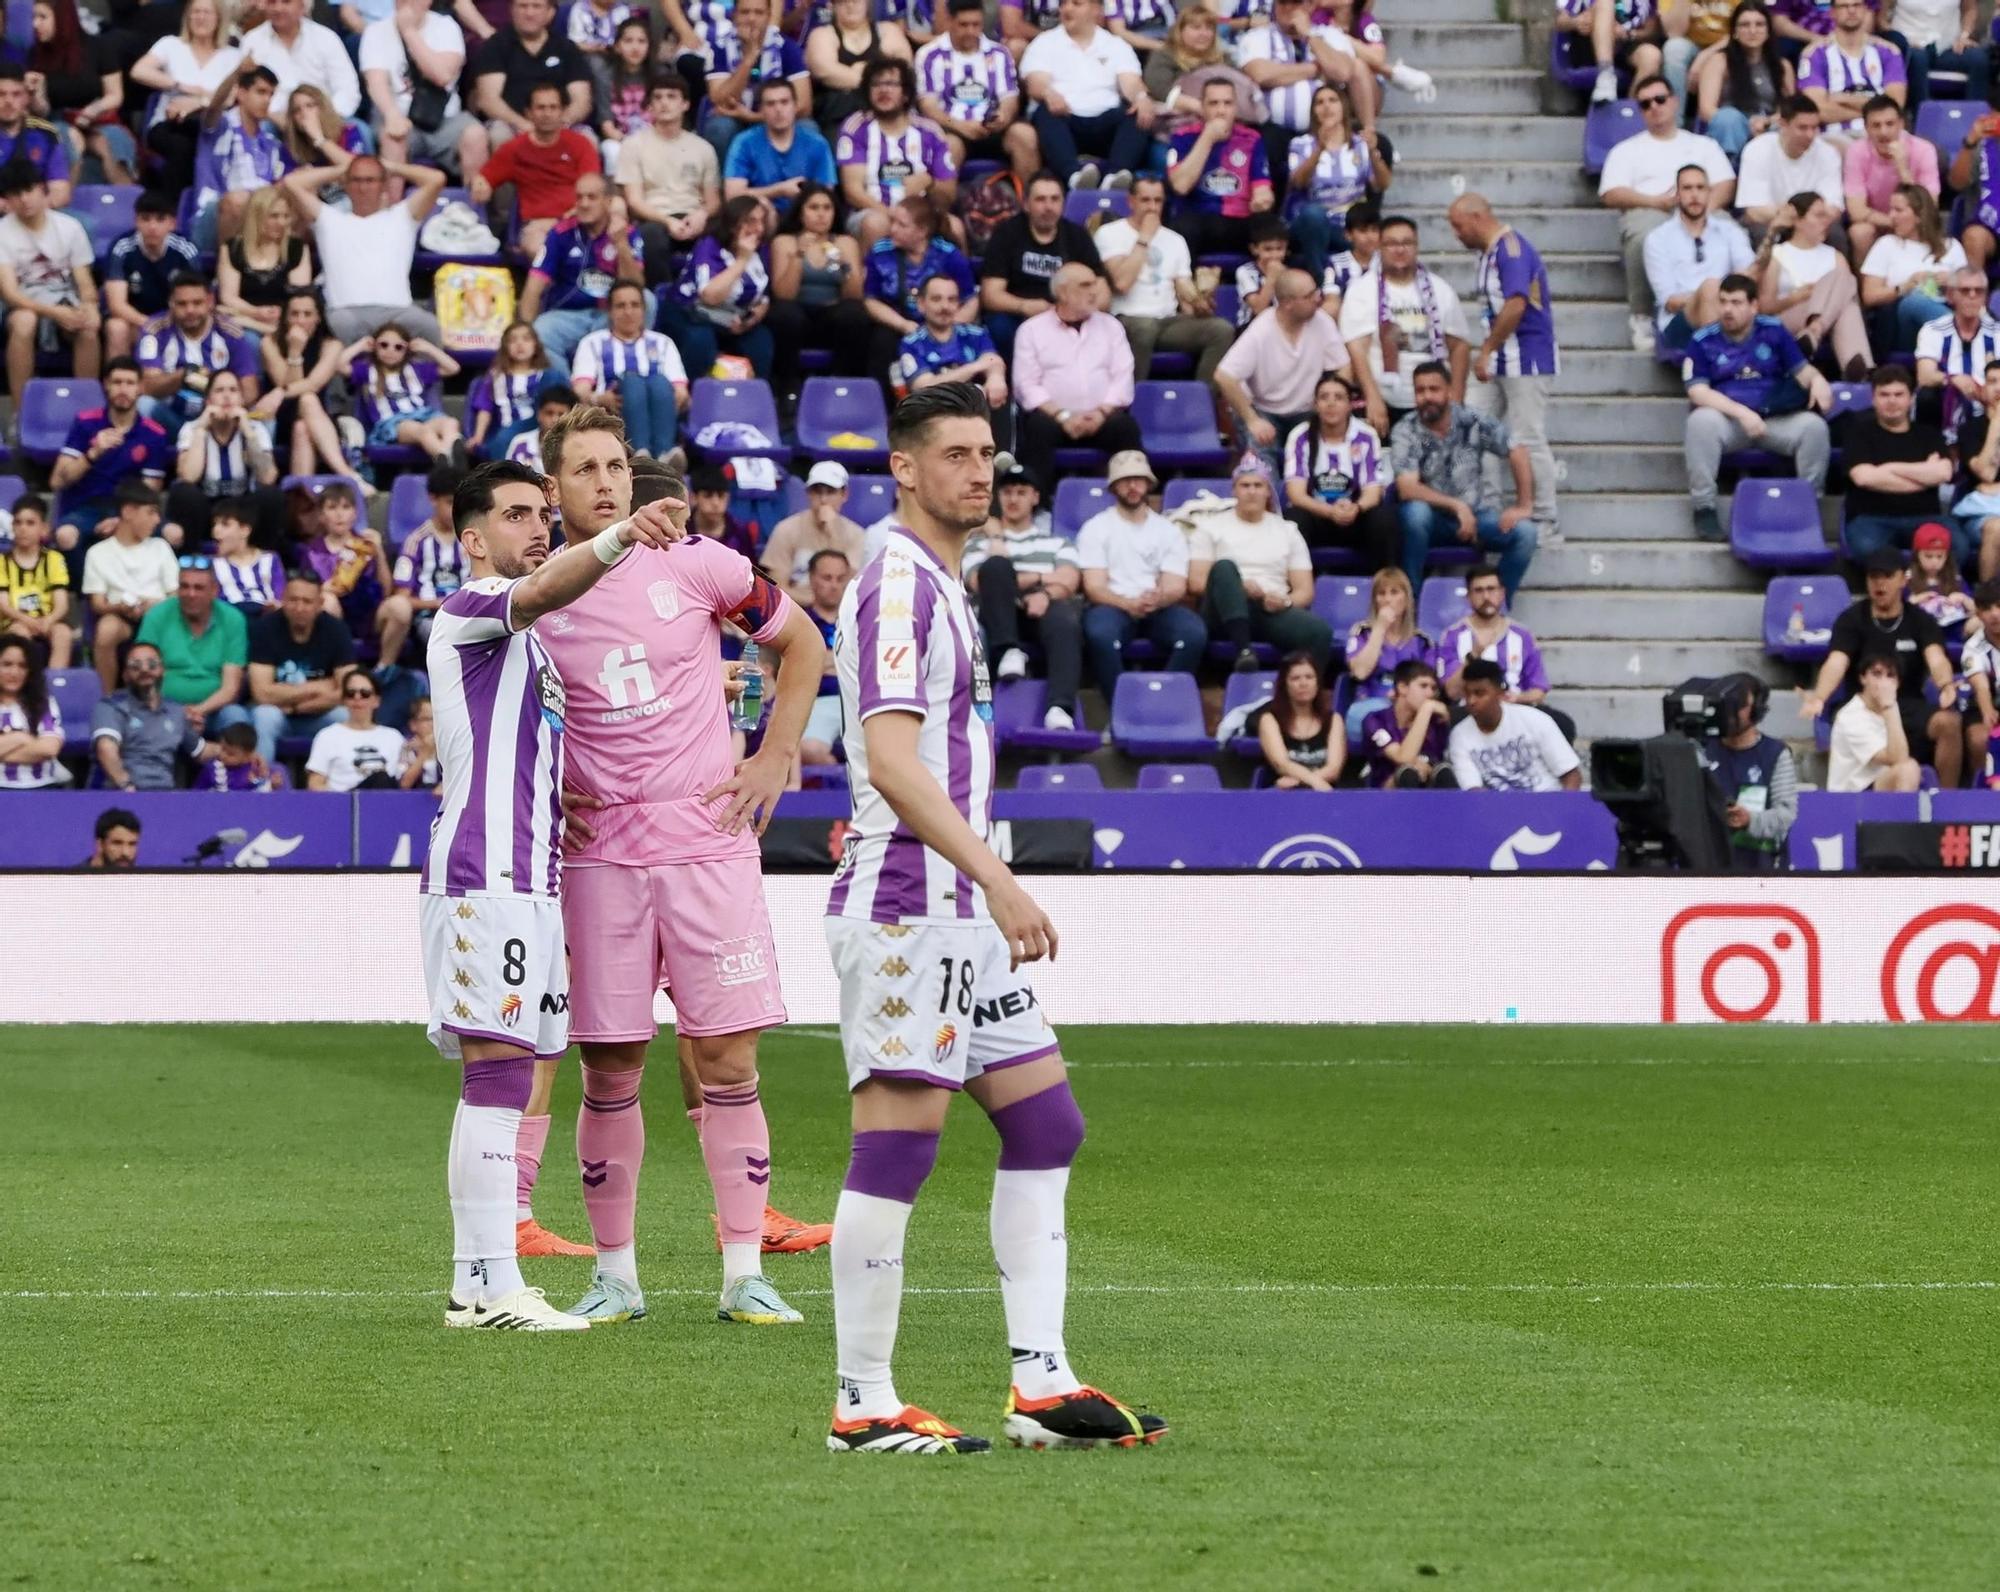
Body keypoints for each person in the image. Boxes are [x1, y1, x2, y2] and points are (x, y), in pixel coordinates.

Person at [823, 381, 1165, 1455]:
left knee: (1043, 1118)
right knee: (899, 1137)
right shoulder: (896, 588)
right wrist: (1000, 877)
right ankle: (861, 1400)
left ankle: (1040, 1382)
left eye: (987, 454)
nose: (979, 471)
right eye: (956, 454)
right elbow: (889, 764)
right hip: (906, 905)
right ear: (905, 469)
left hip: (957, 909)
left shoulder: (946, 580)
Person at [527, 404, 829, 1327]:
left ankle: (745, 1274)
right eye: (585, 470)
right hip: (600, 857)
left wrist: (777, 753)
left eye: (615, 465)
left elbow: (803, 644)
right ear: (553, 491)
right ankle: (615, 1275)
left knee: (730, 1058)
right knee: (610, 1068)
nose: (607, 483)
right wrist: (545, 789)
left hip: (707, 845)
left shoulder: (701, 566)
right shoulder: (533, 598)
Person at [418, 458, 683, 1333]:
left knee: (506, 1073)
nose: (536, 527)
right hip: (483, 876)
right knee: (496, 1074)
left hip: (530, 882)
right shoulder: (471, 610)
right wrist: (619, 536)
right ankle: (492, 1285)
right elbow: (539, 593)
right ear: (472, 539)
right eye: (516, 515)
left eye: (541, 514)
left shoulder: (525, 647)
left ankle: (477, 1281)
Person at [1681, 272, 1834, 541]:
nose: (1728, 309)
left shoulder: (1774, 330)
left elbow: (1802, 372)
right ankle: (1704, 506)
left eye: (1737, 303)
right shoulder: (1703, 339)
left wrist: (1818, 380)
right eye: (1724, 302)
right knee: (1700, 421)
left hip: (1773, 418)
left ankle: (1810, 506)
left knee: (1814, 428)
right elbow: (1698, 391)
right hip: (1729, 422)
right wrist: (1742, 413)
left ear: (1754, 306)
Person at [1803, 545, 1963, 785]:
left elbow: (1936, 658)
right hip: (1866, 708)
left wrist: (1945, 684)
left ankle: (1947, 805)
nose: (1880, 584)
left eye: (1887, 576)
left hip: (1908, 706)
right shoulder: (1851, 619)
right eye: (1873, 577)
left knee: (1949, 723)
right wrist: (1820, 696)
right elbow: (1836, 661)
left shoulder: (1920, 620)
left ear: (1903, 578)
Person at [1451, 194, 1561, 543]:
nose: (1456, 234)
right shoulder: (1487, 253)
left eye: (1458, 225)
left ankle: (1544, 516)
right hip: (1497, 357)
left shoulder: (1511, 250)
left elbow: (1515, 305)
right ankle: (1488, 507)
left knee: (1528, 435)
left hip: (1525, 356)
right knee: (1473, 427)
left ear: (1478, 217)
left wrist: (1486, 349)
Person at [1598, 76, 1733, 353]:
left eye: (1660, 99)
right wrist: (1655, 201)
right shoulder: (1627, 149)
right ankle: (1642, 315)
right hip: (1650, 209)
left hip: (1699, 207)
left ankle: (1735, 308)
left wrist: (1702, 211)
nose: (1655, 107)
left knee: (1731, 230)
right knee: (1642, 237)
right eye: (1646, 104)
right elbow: (1611, 193)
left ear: (1674, 101)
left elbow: (1725, 183)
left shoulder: (1702, 145)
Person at [1391, 363, 1539, 601]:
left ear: (1449, 391)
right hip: (1432, 520)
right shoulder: (1406, 429)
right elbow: (1406, 488)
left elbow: (1517, 451)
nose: (1427, 397)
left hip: (1477, 517)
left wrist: (1524, 505)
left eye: (1434, 389)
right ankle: (1412, 606)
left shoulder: (1471, 421)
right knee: (1414, 515)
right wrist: (1457, 506)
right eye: (1420, 391)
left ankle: (1495, 605)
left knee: (1526, 533)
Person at [966, 461, 1085, 730]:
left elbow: (1069, 580)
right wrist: (1037, 576)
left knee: (1064, 621)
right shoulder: (979, 544)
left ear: (1035, 497)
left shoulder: (1057, 543)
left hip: (1040, 609)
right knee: (995, 567)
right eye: (1007, 493)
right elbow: (979, 582)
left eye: (1021, 492)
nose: (1013, 499)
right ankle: (1009, 650)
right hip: (996, 614)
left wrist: (1043, 592)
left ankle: (1060, 708)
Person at [1076, 448, 1206, 692]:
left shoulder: (1168, 530)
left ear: (1148, 484)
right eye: (1124, 481)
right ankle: (1121, 706)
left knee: (1193, 634)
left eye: (1137, 480)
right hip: (1112, 605)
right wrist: (1127, 604)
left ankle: (1164, 698)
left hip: (1158, 607)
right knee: (1101, 636)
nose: (1132, 486)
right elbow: (1094, 586)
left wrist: (1158, 598)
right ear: (1114, 487)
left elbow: (1176, 585)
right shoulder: (1096, 528)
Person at [1187, 454, 1332, 673]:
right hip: (1222, 610)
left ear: (1268, 491)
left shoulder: (1288, 531)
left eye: (1258, 485)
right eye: (1245, 486)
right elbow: (1196, 583)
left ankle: (1305, 694)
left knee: (1320, 632)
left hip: (1268, 608)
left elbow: (1305, 590)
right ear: (1234, 490)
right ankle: (1244, 651)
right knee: (1225, 567)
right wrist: (1240, 586)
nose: (1252, 491)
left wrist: (1285, 601)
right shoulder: (1210, 527)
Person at [284, 152, 447, 344]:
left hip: (397, 310)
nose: (363, 187)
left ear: (383, 184)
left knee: (429, 326)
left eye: (370, 180)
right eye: (356, 180)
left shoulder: (402, 217)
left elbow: (436, 179)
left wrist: (389, 167)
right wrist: (342, 170)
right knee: (335, 329)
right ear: (346, 184)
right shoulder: (328, 219)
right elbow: (291, 183)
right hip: (345, 312)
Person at [1336, 215, 1471, 440]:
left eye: (1407, 243)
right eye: (1391, 244)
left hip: (1432, 399)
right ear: (1380, 247)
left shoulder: (1440, 289)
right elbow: (1357, 349)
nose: (1400, 250)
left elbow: (1459, 347)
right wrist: (1373, 398)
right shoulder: (1362, 291)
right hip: (1385, 399)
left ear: (1416, 246)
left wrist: (1455, 400)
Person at [1092, 172, 1234, 384]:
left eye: (1158, 201)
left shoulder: (1175, 240)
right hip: (1126, 318)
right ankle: (1129, 402)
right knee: (1144, 328)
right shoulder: (1109, 233)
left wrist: (1201, 302)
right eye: (1145, 200)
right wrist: (1145, 238)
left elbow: (1185, 299)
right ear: (1131, 201)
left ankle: (1201, 402)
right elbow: (1122, 283)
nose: (1152, 207)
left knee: (1222, 330)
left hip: (1167, 321)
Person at [1215, 268, 1354, 484]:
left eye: (1316, 292)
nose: (1318, 299)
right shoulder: (1261, 330)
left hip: (1308, 411)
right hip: (1264, 411)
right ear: (1288, 303)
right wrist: (1252, 419)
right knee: (1262, 468)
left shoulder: (1322, 321)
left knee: (1323, 467)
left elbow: (1343, 365)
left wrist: (1333, 399)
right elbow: (1224, 376)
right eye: (1309, 296)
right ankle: (1273, 509)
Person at [1013, 262, 1141, 492]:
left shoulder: (1111, 326)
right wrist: (1063, 416)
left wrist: (1101, 413)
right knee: (1036, 429)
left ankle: (1133, 501)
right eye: (1085, 285)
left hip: (1101, 418)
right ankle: (1037, 507)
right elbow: (1026, 385)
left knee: (1125, 427)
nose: (1094, 291)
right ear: (1062, 292)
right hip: (1054, 419)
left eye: (1095, 284)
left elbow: (1123, 376)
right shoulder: (1032, 330)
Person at [1234, 0, 1376, 190]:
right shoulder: (1258, 36)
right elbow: (1260, 74)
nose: (1288, 8)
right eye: (1283, 3)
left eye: (1296, 3)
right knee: (1267, 146)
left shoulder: (1330, 36)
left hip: (1325, 126)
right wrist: (1315, 69)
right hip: (1277, 129)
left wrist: (1309, 36)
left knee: (1381, 147)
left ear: (1310, 6)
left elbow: (1342, 71)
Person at [517, 172, 645, 377]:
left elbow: (635, 287)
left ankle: (624, 379)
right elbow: (534, 286)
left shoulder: (627, 233)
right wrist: (524, 331)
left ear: (608, 202)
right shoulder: (560, 233)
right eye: (579, 197)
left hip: (609, 315)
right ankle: (571, 397)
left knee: (648, 300)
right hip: (569, 316)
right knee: (540, 332)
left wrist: (620, 244)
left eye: (592, 197)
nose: (584, 204)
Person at [1020, 0, 1154, 189]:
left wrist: (1141, 98)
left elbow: (1130, 82)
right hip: (1064, 117)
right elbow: (1035, 83)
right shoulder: (1044, 43)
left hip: (1105, 119)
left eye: (1076, 3)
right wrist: (1048, 93)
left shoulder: (1115, 45)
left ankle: (1114, 178)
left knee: (1139, 113)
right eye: (1064, 3)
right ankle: (1075, 177)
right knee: (1044, 111)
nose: (1067, 9)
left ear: (1097, 10)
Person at [1432, 563, 1574, 741]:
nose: (1486, 596)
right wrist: (1473, 656)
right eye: (1479, 591)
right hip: (1470, 710)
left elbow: (1539, 690)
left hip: (1516, 708)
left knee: (1563, 723)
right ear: (1468, 597)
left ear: (1502, 593)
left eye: (1491, 589)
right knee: (1442, 724)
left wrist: (1518, 698)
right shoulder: (1453, 636)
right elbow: (1451, 692)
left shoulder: (1523, 636)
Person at [226, 570, 356, 762]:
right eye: (293, 600)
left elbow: (347, 691)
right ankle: (262, 783)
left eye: (307, 601)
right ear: (283, 600)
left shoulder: (336, 630)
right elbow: (261, 693)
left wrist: (295, 707)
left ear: (320, 604)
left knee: (343, 715)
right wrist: (320, 686)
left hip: (316, 714)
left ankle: (339, 787)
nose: (299, 607)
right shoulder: (265, 628)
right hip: (278, 715)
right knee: (264, 715)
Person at [977, 169, 1103, 361]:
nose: (1048, 206)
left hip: (1067, 311)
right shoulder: (1007, 234)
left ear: (1063, 203)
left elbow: (1103, 292)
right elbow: (990, 295)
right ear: (1026, 204)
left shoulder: (1077, 237)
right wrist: (1024, 306)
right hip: (1018, 312)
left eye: (1054, 199)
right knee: (999, 325)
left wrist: (1070, 310)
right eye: (1041, 199)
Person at [472, 81, 601, 262]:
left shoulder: (580, 144)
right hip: (537, 225)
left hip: (579, 219)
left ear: (562, 111)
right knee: (538, 249)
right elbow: (485, 178)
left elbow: (593, 187)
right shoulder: (515, 149)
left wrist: (570, 218)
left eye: (553, 107)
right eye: (540, 108)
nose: (547, 113)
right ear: (529, 113)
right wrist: (481, 185)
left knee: (615, 209)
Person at [361, 0, 488, 184]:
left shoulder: (446, 26)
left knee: (475, 135)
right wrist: (392, 116)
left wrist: (409, 33)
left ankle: (472, 208)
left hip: (445, 119)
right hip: (398, 116)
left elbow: (442, 76)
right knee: (392, 139)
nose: (407, 3)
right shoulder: (375, 31)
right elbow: (376, 82)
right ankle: (391, 210)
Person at [0, 159, 97, 401]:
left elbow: (84, 283)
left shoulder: (70, 227)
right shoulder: (2, 232)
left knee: (87, 326)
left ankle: (89, 409)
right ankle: (21, 411)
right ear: (7, 201)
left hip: (63, 295)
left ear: (43, 190)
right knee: (25, 322)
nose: (24, 200)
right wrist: (54, 313)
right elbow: (10, 293)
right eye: (16, 194)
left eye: (29, 190)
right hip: (22, 303)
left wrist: (89, 307)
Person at [835, 57, 956, 251]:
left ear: (906, 93)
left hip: (921, 217)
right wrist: (895, 217)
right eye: (876, 84)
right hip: (872, 212)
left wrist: (930, 182)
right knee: (877, 224)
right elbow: (852, 192)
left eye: (891, 84)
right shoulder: (855, 128)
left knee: (955, 226)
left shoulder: (930, 131)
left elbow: (948, 193)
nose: (883, 90)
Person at [1841, 362, 1955, 561]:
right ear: (1873, 399)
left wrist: (1891, 468)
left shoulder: (1929, 434)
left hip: (1926, 517)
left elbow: (1943, 473)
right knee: (1868, 549)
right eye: (1884, 395)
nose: (1891, 401)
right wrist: (1923, 475)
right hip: (1871, 518)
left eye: (1898, 394)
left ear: (1911, 399)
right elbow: (1864, 478)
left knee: (1958, 546)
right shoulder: (1859, 433)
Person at [51, 358, 169, 548]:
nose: (123, 389)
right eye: (117, 382)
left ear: (140, 388)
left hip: (130, 509)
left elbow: (150, 490)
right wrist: (93, 453)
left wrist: (120, 519)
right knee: (66, 535)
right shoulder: (85, 422)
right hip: (86, 507)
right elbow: (58, 480)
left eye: (130, 383)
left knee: (173, 534)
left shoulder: (154, 433)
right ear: (106, 385)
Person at [615, 77, 721, 287]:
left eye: (672, 97)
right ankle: (662, 298)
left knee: (721, 230)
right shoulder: (633, 145)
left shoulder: (703, 148)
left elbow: (713, 201)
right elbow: (634, 201)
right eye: (658, 97)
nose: (664, 103)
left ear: (685, 104)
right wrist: (668, 221)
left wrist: (701, 214)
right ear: (650, 106)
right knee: (652, 236)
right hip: (654, 217)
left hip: (694, 215)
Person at [1755, 192, 1871, 381]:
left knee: (1847, 298)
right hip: (1789, 315)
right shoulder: (1778, 254)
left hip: (1826, 321)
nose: (1826, 221)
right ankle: (1862, 367)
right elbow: (1765, 307)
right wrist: (1798, 297)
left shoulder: (1835, 256)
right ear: (1798, 221)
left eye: (1827, 215)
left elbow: (1849, 298)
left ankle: (1817, 333)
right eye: (1819, 215)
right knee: (1844, 281)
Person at [916, 0, 1037, 181]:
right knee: (950, 146)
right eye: (963, 25)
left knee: (1024, 135)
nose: (970, 31)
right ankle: (941, 208)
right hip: (951, 128)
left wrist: (1003, 117)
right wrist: (960, 126)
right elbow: (929, 107)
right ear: (950, 22)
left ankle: (1030, 203)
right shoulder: (930, 55)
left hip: (992, 129)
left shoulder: (999, 53)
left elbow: (1009, 99)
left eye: (976, 25)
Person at [1642, 165, 1756, 353]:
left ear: (1709, 193)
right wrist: (1707, 297)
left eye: (1700, 188)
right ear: (1677, 195)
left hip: (1728, 310)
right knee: (1711, 288)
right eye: (1687, 188)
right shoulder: (1658, 239)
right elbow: (1670, 301)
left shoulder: (1730, 231)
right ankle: (1724, 365)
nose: (1694, 195)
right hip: (1679, 323)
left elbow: (1748, 274)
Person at [768, 181, 873, 384]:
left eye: (827, 208)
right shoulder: (784, 242)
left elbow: (855, 295)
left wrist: (845, 266)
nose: (821, 214)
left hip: (831, 318)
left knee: (854, 313)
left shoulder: (846, 243)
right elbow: (784, 295)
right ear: (801, 213)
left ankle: (841, 384)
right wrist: (798, 254)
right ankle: (788, 387)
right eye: (813, 207)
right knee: (785, 314)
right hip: (797, 317)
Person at [572, 279, 689, 460]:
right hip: (610, 415)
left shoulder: (663, 343)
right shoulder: (592, 343)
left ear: (644, 309)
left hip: (659, 407)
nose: (628, 312)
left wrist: (678, 396)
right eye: (621, 306)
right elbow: (580, 391)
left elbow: (680, 391)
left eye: (635, 305)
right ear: (609, 311)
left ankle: (663, 455)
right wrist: (599, 399)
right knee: (633, 382)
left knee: (658, 382)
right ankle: (640, 453)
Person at [664, 194, 777, 380]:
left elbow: (763, 298)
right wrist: (742, 260)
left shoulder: (761, 249)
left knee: (761, 341)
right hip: (690, 313)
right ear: (733, 224)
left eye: (761, 221)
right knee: (701, 341)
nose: (758, 228)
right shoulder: (709, 245)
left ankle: (758, 399)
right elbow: (709, 296)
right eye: (750, 221)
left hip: (733, 318)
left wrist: (752, 319)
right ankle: (690, 400)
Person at [1284, 82, 1387, 282]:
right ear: (1313, 111)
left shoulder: (1360, 144)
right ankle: (1322, 280)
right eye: (1320, 102)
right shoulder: (1300, 144)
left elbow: (1381, 184)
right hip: (1313, 223)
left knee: (1368, 228)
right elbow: (1298, 182)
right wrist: (1319, 150)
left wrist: (1373, 153)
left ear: (1344, 107)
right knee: (1314, 215)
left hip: (1349, 225)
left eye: (1333, 100)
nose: (1327, 106)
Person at [168, 372, 284, 550]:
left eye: (233, 390)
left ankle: (263, 558)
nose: (227, 396)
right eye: (219, 390)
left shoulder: (255, 429)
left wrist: (247, 431)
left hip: (244, 510)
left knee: (272, 495)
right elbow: (189, 476)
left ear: (241, 400)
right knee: (184, 493)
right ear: (208, 401)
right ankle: (192, 558)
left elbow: (268, 477)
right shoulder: (192, 428)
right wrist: (201, 430)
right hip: (206, 509)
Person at [259, 290, 362, 484]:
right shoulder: (269, 343)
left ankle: (301, 498)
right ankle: (348, 475)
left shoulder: (331, 345)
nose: (300, 320)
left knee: (302, 424)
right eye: (294, 314)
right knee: (306, 400)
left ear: (318, 318)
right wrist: (295, 350)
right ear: (285, 318)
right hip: (278, 416)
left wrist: (280, 392)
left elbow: (314, 384)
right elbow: (288, 383)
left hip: (315, 418)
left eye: (307, 314)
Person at [133, 556, 247, 729]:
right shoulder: (157, 616)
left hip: (215, 710)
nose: (190, 594)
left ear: (214, 591)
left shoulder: (233, 619)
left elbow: (230, 688)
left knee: (237, 716)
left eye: (199, 588)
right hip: (163, 708)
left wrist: (197, 711)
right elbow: (143, 676)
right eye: (184, 587)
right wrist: (175, 713)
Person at [81, 483, 175, 691]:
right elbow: (98, 603)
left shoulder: (161, 547)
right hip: (121, 615)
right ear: (128, 512)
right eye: (151, 513)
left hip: (159, 615)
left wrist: (156, 605)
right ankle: (108, 697)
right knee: (106, 629)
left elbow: (175, 595)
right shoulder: (98, 552)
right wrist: (120, 607)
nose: (157, 521)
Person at [1164, 77, 1271, 258]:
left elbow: (1263, 190)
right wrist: (1208, 137)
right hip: (1198, 216)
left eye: (1227, 103)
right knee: (1182, 229)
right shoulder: (1182, 137)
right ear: (1203, 108)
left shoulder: (1251, 139)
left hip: (1240, 219)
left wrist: (1262, 200)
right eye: (1213, 104)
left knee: (1273, 231)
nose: (1221, 110)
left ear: (1235, 107)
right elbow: (1180, 186)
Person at [91, 639, 219, 790]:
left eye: (152, 664)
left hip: (165, 795)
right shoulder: (110, 706)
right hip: (122, 794)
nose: (145, 670)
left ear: (163, 670)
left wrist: (242, 752)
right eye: (135, 666)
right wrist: (126, 785)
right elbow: (106, 750)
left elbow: (202, 751)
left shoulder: (175, 711)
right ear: (125, 675)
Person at [1699, 673, 1797, 868]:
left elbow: (1786, 815)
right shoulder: (1702, 750)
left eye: (1738, 706)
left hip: (1761, 867)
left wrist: (1750, 820)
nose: (1730, 713)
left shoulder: (1775, 753)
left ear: (1756, 710)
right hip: (1711, 865)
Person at [699, 0, 811, 167]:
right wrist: (749, 59)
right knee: (720, 127)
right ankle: (726, 189)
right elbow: (720, 99)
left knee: (807, 127)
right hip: (733, 119)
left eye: (759, 13)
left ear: (768, 16)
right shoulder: (719, 47)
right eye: (745, 12)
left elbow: (804, 105)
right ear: (734, 15)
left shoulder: (786, 47)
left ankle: (798, 188)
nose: (751, 18)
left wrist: (754, 117)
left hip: (776, 117)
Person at [1447, 657, 1582, 792]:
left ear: (1500, 693)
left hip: (1547, 803)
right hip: (1497, 809)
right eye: (1467, 694)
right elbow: (1474, 791)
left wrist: (1563, 810)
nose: (1471, 701)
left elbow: (1571, 775)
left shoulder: (1535, 720)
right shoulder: (1459, 736)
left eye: (1479, 693)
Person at [1858, 182, 1963, 353]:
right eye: (1891, 209)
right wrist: (1904, 287)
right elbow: (1869, 296)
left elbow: (1972, 289)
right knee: (1914, 301)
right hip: (1902, 327)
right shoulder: (1887, 244)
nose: (1891, 216)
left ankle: (1962, 337)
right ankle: (1966, 335)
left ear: (1919, 215)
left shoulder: (1952, 246)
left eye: (1898, 210)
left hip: (1944, 307)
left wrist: (1952, 281)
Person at [469, 0, 592, 144]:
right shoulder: (495, 46)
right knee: (499, 135)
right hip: (510, 123)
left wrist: (560, 124)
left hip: (560, 124)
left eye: (537, 6)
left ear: (550, 12)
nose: (529, 13)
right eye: (523, 6)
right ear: (512, 10)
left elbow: (582, 101)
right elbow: (489, 101)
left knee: (588, 139)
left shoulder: (567, 48)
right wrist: (523, 125)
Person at [1842, 95, 1939, 265]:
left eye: (1890, 124)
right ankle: (1868, 289)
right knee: (1860, 232)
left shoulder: (1924, 150)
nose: (1883, 132)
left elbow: (1928, 208)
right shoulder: (1856, 152)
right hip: (1877, 222)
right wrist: (1894, 222)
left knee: (1923, 228)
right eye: (1876, 125)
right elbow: (1856, 211)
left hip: (1915, 223)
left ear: (1901, 124)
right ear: (1866, 128)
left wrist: (1903, 169)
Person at [103, 192, 200, 362]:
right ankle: (120, 380)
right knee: (116, 327)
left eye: (160, 219)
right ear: (136, 221)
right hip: (135, 321)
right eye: (146, 219)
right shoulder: (122, 248)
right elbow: (117, 305)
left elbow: (196, 297)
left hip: (174, 321)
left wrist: (165, 324)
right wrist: (150, 324)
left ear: (172, 223)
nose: (152, 226)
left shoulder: (186, 249)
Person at [893, 274, 1007, 416]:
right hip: (933, 412)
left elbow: (992, 361)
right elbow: (924, 387)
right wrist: (975, 366)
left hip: (973, 410)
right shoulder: (911, 343)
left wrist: (996, 378)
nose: (945, 306)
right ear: (921, 304)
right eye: (936, 299)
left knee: (998, 395)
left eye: (951, 300)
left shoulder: (975, 334)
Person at [389, 463, 472, 656]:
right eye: (450, 502)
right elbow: (402, 597)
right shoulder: (416, 541)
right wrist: (438, 603)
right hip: (430, 617)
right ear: (433, 499)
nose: (457, 510)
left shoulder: (472, 539)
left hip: (468, 615)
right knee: (448, 639)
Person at [1693, 0, 1791, 161]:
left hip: (1767, 127)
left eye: (1759, 24)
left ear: (1768, 31)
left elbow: (1788, 110)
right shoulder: (1719, 61)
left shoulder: (1783, 66)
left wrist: (1765, 122)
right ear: (1735, 32)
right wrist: (1747, 125)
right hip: (1730, 131)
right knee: (1728, 119)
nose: (1752, 30)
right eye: (1745, 25)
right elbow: (1706, 109)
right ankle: (1730, 175)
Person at [217, 188, 314, 352]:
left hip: (285, 321)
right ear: (256, 217)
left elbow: (300, 295)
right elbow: (228, 297)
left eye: (285, 216)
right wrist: (256, 313)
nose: (281, 222)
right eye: (274, 216)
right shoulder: (233, 248)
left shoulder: (296, 248)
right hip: (245, 318)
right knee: (250, 340)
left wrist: (280, 316)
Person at [724, 77, 835, 216]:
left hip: (804, 218)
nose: (778, 109)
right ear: (761, 110)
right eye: (770, 104)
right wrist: (779, 190)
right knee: (764, 208)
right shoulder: (744, 142)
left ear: (795, 106)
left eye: (784, 102)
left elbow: (826, 194)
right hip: (761, 219)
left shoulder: (817, 143)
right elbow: (733, 197)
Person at [1340, 565, 1429, 735]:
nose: (1388, 599)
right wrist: (1379, 629)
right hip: (1368, 707)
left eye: (1394, 592)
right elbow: (1359, 672)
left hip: (1410, 710)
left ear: (1406, 598)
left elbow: (1429, 686)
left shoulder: (1421, 641)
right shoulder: (1362, 633)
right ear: (1375, 600)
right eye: (1381, 594)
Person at [1912, 268, 2000, 440]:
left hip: (1990, 406)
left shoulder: (1997, 333)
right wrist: (1952, 379)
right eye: (1965, 291)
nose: (1972, 296)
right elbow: (1925, 375)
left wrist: (1986, 390)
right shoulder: (1933, 330)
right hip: (1946, 403)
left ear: (1986, 297)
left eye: (1979, 291)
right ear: (1951, 296)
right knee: (1926, 396)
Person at [1735, 96, 1843, 234]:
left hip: (1813, 225)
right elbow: (1754, 211)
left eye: (1814, 128)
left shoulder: (1828, 153)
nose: (1810, 135)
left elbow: (1834, 208)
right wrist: (1799, 216)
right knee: (1759, 231)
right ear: (1783, 124)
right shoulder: (1757, 149)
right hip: (1772, 222)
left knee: (1835, 232)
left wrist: (1802, 219)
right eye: (1802, 128)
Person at [1797, 0, 1904, 139]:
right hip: (1835, 137)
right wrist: (1875, 111)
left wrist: (1842, 99)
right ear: (1832, 12)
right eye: (1844, 6)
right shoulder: (1813, 54)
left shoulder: (1889, 51)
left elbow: (1896, 105)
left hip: (1884, 136)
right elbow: (1818, 110)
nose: (1851, 10)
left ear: (1865, 9)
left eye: (1856, 5)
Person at [762, 461, 866, 602]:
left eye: (830, 492)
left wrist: (833, 531)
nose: (823, 500)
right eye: (817, 492)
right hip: (797, 610)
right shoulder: (787, 529)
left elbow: (850, 587)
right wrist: (816, 605)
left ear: (844, 494)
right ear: (808, 494)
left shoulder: (855, 535)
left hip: (838, 615)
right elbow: (777, 587)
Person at [807, 0, 914, 137]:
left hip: (888, 114)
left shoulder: (888, 30)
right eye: (843, 2)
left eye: (856, 1)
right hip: (839, 117)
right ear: (832, 5)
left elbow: (903, 70)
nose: (850, 5)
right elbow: (824, 71)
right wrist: (876, 76)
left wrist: (853, 73)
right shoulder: (822, 34)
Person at [239, 0, 359, 121]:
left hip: (326, 116)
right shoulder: (252, 41)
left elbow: (347, 89)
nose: (278, 8)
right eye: (272, 2)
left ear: (302, 6)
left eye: (286, 2)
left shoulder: (326, 38)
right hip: (274, 120)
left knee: (361, 130)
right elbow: (247, 92)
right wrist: (273, 116)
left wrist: (324, 117)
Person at [1825, 651, 1923, 790]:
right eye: (1876, 674)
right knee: (1907, 770)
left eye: (1890, 676)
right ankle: (1903, 812)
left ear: (1898, 683)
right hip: (1850, 796)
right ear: (1863, 678)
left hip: (1879, 786)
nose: (1883, 683)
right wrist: (1889, 708)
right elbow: (1897, 758)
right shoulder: (1850, 717)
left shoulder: (1890, 707)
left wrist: (1890, 708)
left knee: (1919, 771)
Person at [304, 669, 408, 790]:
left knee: (382, 779)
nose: (357, 698)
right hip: (344, 803)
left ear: (376, 701)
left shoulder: (394, 737)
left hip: (387, 801)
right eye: (350, 693)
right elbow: (315, 784)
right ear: (344, 700)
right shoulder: (327, 736)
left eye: (365, 693)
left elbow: (405, 780)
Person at [1358, 656, 1453, 787]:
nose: (1430, 694)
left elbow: (1438, 766)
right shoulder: (1375, 720)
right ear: (1402, 687)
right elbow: (1404, 758)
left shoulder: (1437, 723)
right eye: (1423, 686)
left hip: (1428, 791)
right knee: (1407, 774)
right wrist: (1426, 709)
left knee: (1444, 772)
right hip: (1385, 797)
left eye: (1433, 688)